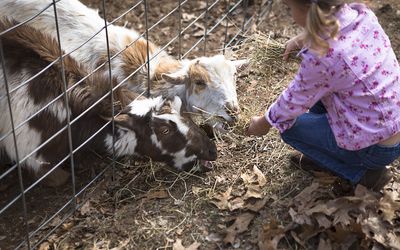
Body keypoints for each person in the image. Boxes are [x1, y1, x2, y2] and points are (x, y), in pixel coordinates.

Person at [246, 0, 400, 191]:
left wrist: (262, 124)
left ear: (310, 9)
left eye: (289, 7)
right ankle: (333, 149)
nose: (289, 12)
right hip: (391, 127)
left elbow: (290, 103)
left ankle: (364, 174)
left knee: (289, 126)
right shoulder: (362, 15)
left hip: (374, 149)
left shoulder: (322, 55)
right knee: (323, 93)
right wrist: (305, 38)